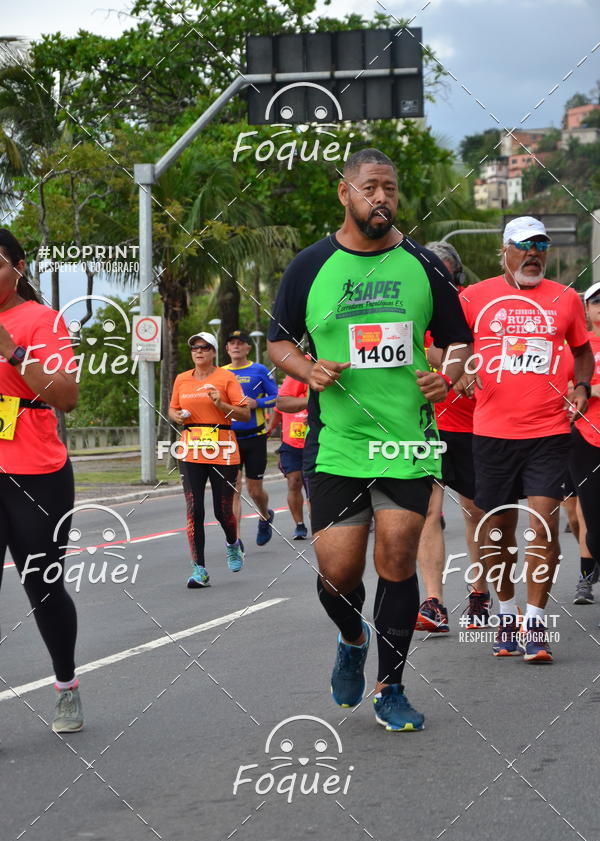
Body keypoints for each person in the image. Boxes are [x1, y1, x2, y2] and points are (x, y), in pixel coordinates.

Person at [268, 148, 472, 732]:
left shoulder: (424, 266)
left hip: (406, 441)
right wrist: (306, 370)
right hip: (336, 440)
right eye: (370, 187)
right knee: (337, 573)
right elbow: (279, 342)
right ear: (345, 193)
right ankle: (352, 638)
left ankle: (392, 686)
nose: (381, 197)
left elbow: (460, 339)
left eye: (390, 188)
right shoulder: (309, 266)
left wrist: (448, 374)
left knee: (397, 560)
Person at [459, 216, 594, 663]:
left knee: (542, 525)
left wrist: (581, 387)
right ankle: (506, 612)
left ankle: (535, 624)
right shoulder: (474, 298)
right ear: (505, 250)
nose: (534, 253)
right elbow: (446, 347)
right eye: (524, 246)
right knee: (496, 532)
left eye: (541, 246)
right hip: (491, 434)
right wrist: (457, 375)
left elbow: (581, 353)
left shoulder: (566, 298)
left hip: (549, 432)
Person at [0, 229, 83, 733]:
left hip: (35, 472)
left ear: (19, 267)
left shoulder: (40, 320)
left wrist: (12, 352)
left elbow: (67, 395)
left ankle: (67, 685)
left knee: (42, 585)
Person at [416, 241, 490, 634]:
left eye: (442, 270)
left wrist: (439, 358)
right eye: (429, 269)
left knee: (475, 513)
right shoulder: (410, 306)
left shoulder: (470, 307)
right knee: (428, 513)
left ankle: (478, 593)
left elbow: (476, 360)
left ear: (455, 274)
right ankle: (434, 602)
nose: (436, 277)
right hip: (423, 425)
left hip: (470, 425)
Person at [169, 331, 249, 586]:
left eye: (204, 347)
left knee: (222, 509)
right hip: (191, 446)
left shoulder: (227, 378)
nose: (199, 351)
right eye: (194, 348)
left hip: (222, 448)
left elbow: (245, 414)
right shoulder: (182, 379)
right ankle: (199, 570)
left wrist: (221, 404)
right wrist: (177, 417)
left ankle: (232, 543)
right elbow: (171, 408)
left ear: (214, 352)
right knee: (194, 510)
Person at [223, 330, 278, 547]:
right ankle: (236, 540)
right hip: (230, 438)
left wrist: (258, 403)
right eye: (231, 343)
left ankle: (265, 516)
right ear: (227, 349)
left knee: (254, 490)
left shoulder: (259, 370)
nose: (236, 346)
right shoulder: (220, 373)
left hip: (255, 438)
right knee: (234, 489)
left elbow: (276, 397)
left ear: (248, 348)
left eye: (240, 343)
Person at [569, 282, 600, 607]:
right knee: (587, 518)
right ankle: (587, 571)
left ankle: (586, 578)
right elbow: (567, 387)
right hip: (584, 440)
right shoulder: (578, 348)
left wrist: (590, 390)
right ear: (587, 310)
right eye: (596, 302)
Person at [276, 372, 310, 539]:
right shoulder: (287, 398)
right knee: (293, 482)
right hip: (291, 446)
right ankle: (299, 525)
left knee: (312, 486)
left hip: (314, 444)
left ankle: (318, 521)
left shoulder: (318, 394)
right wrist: (268, 431)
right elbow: (277, 411)